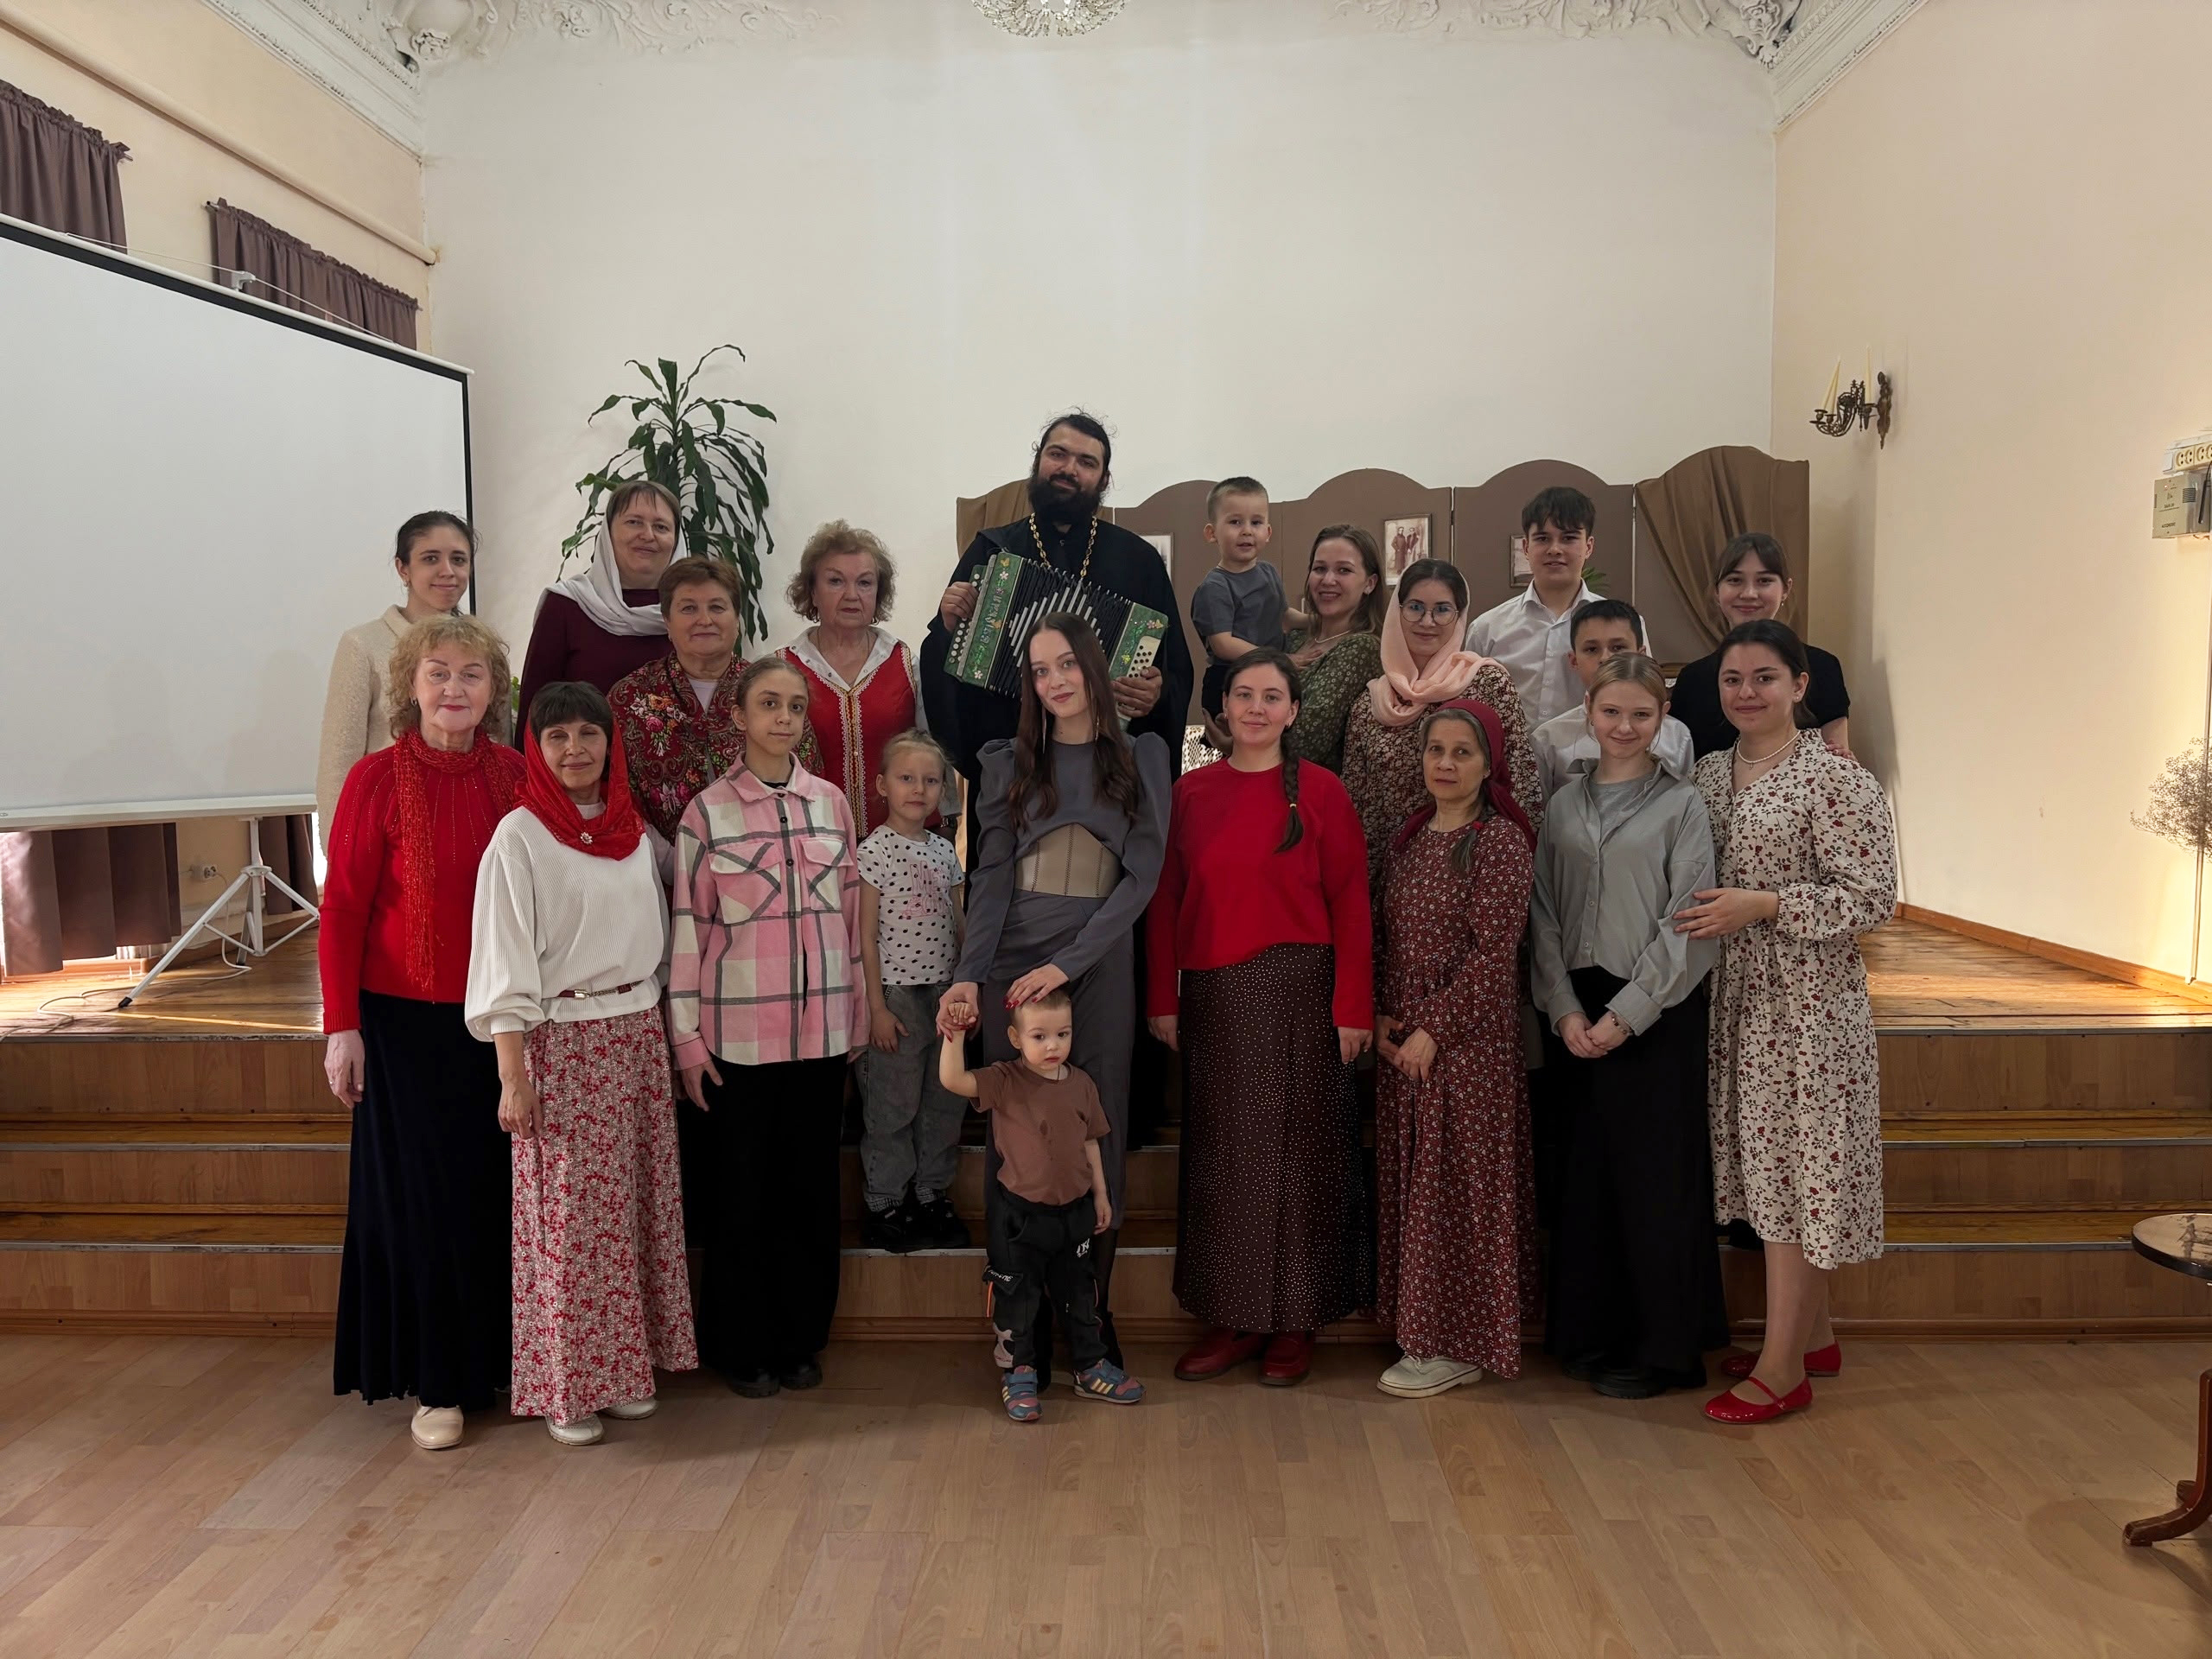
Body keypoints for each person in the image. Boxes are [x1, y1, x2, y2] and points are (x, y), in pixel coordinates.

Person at [936, 614, 1170, 1370]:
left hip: (1096, 957)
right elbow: (991, 876)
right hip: (1015, 956)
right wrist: (969, 971)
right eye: (1040, 671)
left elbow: (1142, 876)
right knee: (1017, 1135)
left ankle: (1090, 1318)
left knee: (1096, 1124)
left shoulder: (1141, 755)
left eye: (1067, 663)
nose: (1055, 681)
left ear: (1094, 667)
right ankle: (1023, 1323)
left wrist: (1068, 965)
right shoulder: (1009, 761)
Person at [1675, 620, 1894, 1425]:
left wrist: (1766, 904)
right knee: (1765, 1168)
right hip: (1735, 996)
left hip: (1808, 1007)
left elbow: (1873, 897)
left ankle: (1781, 1371)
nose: (1746, 692)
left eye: (1764, 678)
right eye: (1732, 679)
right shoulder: (1706, 773)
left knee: (1799, 1172)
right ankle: (1814, 1338)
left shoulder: (1835, 778)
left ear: (1800, 686)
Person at [466, 682, 696, 1446]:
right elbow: (503, 962)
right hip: (563, 1042)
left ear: (610, 742)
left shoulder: (633, 830)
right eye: (557, 736)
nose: (575, 749)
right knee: (570, 1222)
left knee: (633, 1211)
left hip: (636, 1034)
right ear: (537, 748)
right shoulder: (520, 837)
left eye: (588, 734)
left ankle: (622, 1372)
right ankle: (569, 1387)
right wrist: (513, 1078)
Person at [319, 613, 524, 1451]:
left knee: (497, 1198)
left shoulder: (519, 774)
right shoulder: (373, 779)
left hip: (504, 1024)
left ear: (494, 689)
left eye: (471, 674)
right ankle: (438, 1381)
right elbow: (341, 909)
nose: (453, 688)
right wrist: (341, 1028)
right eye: (437, 672)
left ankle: (505, 1365)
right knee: (428, 1204)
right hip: (403, 1025)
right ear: (410, 686)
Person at [1147, 650, 1374, 1389]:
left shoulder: (1323, 791)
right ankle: (1233, 1316)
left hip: (1305, 994)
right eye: (1243, 694)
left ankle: (1295, 1319)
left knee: (1303, 1160)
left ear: (1293, 711)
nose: (1255, 707)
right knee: (1222, 1160)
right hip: (1216, 995)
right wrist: (1162, 998)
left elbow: (1350, 901)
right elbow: (1165, 899)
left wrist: (1353, 1006)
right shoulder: (1191, 793)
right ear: (1223, 706)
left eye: (1271, 696)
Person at [1532, 653, 1726, 1399]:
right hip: (1574, 1012)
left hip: (1655, 1011)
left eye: (1640, 715)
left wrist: (1628, 1015)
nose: (1623, 726)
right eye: (1610, 712)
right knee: (1588, 1179)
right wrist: (1563, 1008)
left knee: (1653, 1182)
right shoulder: (1561, 806)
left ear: (1662, 720)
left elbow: (1691, 922)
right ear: (1588, 713)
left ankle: (1664, 1349)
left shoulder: (1683, 806)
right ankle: (1591, 1332)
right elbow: (1543, 915)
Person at [668, 657, 861, 1399]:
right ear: (739, 718)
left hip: (821, 1039)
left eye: (794, 706)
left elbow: (850, 920)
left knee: (809, 1194)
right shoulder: (706, 813)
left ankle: (800, 1338)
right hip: (736, 1042)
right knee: (741, 1196)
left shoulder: (831, 805)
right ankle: (741, 1346)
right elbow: (688, 931)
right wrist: (686, 1040)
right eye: (768, 705)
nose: (783, 718)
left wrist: (855, 1013)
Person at [1371, 700, 1539, 1399]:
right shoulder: (1408, 837)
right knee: (1419, 1190)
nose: (1445, 764)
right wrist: (1384, 1018)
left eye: (1462, 752)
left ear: (1488, 763)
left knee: (1460, 1194)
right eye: (1435, 750)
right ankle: (1420, 1329)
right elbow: (1387, 937)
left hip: (1466, 1050)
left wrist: (1434, 1030)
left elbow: (1493, 955)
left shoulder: (1499, 842)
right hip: (1404, 1046)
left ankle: (1460, 1342)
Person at [922, 412, 1193, 785]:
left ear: (1104, 479)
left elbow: (1174, 670)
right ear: (1038, 461)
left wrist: (1155, 695)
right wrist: (948, 627)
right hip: (1012, 768)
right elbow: (943, 665)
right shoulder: (991, 550)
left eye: (1087, 462)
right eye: (1058, 454)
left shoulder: (1139, 561)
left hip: (1106, 774)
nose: (1069, 469)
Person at [938, 986, 1146, 1420]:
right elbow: (954, 1081)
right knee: (1019, 1300)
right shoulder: (1004, 1079)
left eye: (1062, 1034)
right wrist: (954, 1035)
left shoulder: (1082, 1084)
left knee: (1081, 1296)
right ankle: (1020, 1374)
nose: (1053, 1046)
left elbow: (1091, 1142)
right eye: (1039, 1036)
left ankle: (1090, 1368)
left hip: (1074, 1213)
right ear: (1016, 1039)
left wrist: (1101, 1194)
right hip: (1019, 1218)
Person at [1343, 559, 1541, 890]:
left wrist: (1514, 875)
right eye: (1415, 608)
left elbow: (1520, 785)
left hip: (1471, 874)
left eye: (1442, 610)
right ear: (1397, 611)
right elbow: (1356, 803)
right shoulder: (1371, 703)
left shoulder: (1487, 685)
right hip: (1390, 878)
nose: (1427, 621)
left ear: (1460, 616)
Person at [610, 556, 819, 848]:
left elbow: (808, 782)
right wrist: (664, 859)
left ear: (737, 620)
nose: (705, 620)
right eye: (689, 608)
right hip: (658, 863)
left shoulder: (773, 692)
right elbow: (613, 794)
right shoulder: (630, 698)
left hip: (770, 860)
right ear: (667, 622)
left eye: (717, 607)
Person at [855, 730, 969, 1254]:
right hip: (897, 998)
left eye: (931, 780)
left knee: (942, 1103)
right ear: (883, 785)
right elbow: (865, 937)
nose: (919, 789)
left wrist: (966, 988)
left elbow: (959, 922)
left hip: (944, 995)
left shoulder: (944, 851)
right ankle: (886, 1199)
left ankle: (930, 1194)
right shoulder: (873, 851)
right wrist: (876, 1008)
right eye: (907, 778)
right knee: (892, 1106)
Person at [316, 511, 474, 851]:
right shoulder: (364, 644)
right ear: (403, 569)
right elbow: (338, 761)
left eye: (459, 559)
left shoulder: (482, 648)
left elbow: (496, 742)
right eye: (431, 558)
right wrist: (339, 850)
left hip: (470, 830)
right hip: (390, 837)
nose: (448, 570)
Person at [779, 520, 926, 836]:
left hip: (898, 843)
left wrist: (946, 820)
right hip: (811, 843)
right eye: (835, 581)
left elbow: (929, 749)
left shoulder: (904, 661)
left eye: (864, 583)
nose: (851, 595)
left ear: (878, 593)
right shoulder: (782, 668)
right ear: (812, 592)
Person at [1669, 533, 1852, 758]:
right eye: (1735, 580)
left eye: (1764, 581)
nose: (1749, 594)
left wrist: (1843, 764)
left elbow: (1837, 757)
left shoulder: (1822, 667)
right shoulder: (1692, 680)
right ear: (1717, 591)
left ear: (1786, 589)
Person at [518, 480, 681, 720]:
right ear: (608, 533)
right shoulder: (566, 604)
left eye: (661, 527)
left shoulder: (691, 610)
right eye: (634, 522)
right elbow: (535, 705)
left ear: (676, 540)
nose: (648, 535)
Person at [1465, 486, 1604, 728]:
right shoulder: (1486, 629)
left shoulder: (1618, 626)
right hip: (1507, 753)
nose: (1555, 549)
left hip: (1591, 751)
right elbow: (1470, 711)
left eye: (1569, 538)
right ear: (1526, 547)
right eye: (1543, 538)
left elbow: (1637, 696)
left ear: (1588, 546)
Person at [1530, 599, 1694, 804]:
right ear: (1574, 660)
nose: (1605, 658)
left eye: (1618, 647)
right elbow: (1540, 814)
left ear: (1641, 654)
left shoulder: (1676, 737)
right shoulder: (1549, 740)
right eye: (1592, 649)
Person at [1191, 476, 1308, 740]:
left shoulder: (1268, 572)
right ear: (1212, 533)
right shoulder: (1215, 586)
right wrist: (1278, 658)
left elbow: (1284, 616)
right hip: (1229, 676)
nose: (1246, 531)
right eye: (1235, 522)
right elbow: (1223, 644)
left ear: (1268, 532)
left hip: (1268, 672)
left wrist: (1317, 621)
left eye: (1256, 523)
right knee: (1238, 746)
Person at [1282, 524, 1388, 774]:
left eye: (1344, 570)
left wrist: (1236, 743)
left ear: (1370, 583)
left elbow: (1306, 741)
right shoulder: (1294, 639)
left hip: (1309, 790)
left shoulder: (1361, 648)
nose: (1328, 580)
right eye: (1320, 569)